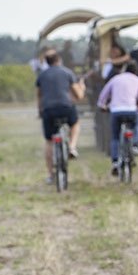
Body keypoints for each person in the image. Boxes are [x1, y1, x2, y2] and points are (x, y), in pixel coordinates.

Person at [36, 49, 85, 183]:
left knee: (49, 141)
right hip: (65, 107)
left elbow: (39, 96)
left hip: (48, 109)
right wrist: (82, 87)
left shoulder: (42, 75)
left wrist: (39, 111)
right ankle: (72, 147)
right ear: (59, 60)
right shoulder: (67, 72)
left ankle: (51, 175)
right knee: (75, 124)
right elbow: (79, 96)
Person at [97, 61, 138, 174]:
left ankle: (115, 161)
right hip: (131, 110)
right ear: (136, 72)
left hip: (116, 111)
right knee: (136, 125)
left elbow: (103, 95)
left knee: (115, 136)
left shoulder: (115, 79)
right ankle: (134, 144)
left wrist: (102, 106)